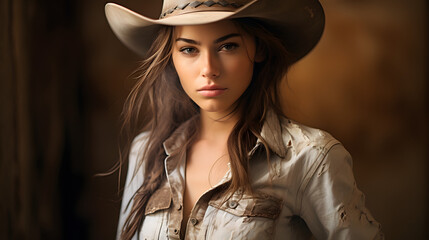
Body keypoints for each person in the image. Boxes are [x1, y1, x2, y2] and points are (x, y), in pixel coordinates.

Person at [105, 0, 383, 239]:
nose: (209, 69)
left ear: (258, 49)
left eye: (228, 46)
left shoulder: (310, 157)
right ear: (171, 57)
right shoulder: (147, 150)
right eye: (189, 49)